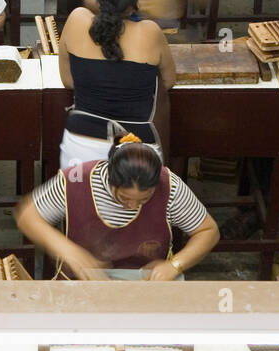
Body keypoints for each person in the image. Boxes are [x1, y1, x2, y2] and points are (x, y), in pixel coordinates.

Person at [15, 133, 219, 279]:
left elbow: (208, 231)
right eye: (124, 197)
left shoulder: (169, 185)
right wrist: (68, 251)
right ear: (109, 179)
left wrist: (175, 265)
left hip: (147, 287)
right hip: (82, 286)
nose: (132, 205)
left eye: (144, 199)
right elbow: (27, 216)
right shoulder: (77, 181)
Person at [59, 0, 175, 170]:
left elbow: (68, 81)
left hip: (81, 146)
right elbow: (168, 81)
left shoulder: (76, 20)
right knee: (133, 197)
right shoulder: (151, 32)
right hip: (138, 152)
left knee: (80, 196)